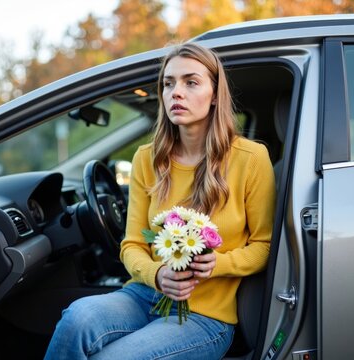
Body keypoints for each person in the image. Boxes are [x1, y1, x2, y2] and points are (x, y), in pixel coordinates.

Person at [44, 43, 276, 360]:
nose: (175, 93)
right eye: (168, 83)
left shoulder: (251, 158)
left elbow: (264, 245)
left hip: (206, 318)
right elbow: (132, 245)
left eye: (190, 82)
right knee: (76, 319)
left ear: (215, 94)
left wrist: (218, 264)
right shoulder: (147, 158)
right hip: (143, 295)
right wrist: (156, 274)